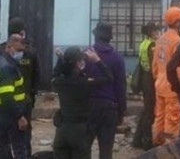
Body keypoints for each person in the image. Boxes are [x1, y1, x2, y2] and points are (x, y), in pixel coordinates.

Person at [52, 46, 112, 159]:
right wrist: (97, 60)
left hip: (62, 131)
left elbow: (55, 74)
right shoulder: (84, 83)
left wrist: (61, 59)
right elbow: (108, 78)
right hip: (79, 132)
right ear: (77, 63)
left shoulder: (59, 82)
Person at [85, 22, 126, 159]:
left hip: (89, 107)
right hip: (109, 108)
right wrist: (121, 111)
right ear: (109, 38)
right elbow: (121, 87)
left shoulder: (85, 55)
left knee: (84, 148)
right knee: (106, 151)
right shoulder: (117, 58)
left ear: (95, 36)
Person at [3, 18, 39, 155]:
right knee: (23, 140)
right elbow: (37, 77)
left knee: (4, 140)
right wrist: (32, 97)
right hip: (24, 102)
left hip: (4, 103)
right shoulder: (30, 52)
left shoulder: (2, 49)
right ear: (23, 32)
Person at [152, 7, 180, 146]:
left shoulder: (160, 40)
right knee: (172, 121)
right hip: (172, 87)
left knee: (159, 117)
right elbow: (178, 68)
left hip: (159, 84)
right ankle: (169, 151)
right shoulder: (178, 41)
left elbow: (154, 65)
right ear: (177, 23)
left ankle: (157, 146)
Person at [0, 34, 28, 159]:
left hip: (5, 114)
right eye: (18, 50)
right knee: (19, 150)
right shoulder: (7, 67)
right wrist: (19, 116)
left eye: (22, 51)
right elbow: (7, 97)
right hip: (11, 116)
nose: (20, 54)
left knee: (4, 149)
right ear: (8, 47)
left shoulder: (6, 62)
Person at [133, 21, 159, 150]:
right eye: (155, 31)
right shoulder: (152, 45)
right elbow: (154, 64)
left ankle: (137, 139)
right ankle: (147, 141)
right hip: (150, 79)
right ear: (150, 32)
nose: (157, 33)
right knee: (150, 111)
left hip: (144, 78)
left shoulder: (143, 44)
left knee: (146, 110)